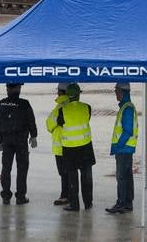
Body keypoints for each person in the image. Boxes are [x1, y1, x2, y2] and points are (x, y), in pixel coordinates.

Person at [0, 82, 37, 205]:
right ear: (18, 88)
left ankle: (6, 196)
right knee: (22, 169)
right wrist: (34, 136)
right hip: (20, 140)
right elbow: (31, 121)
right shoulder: (24, 103)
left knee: (6, 168)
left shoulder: (0, 104)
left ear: (7, 88)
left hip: (6, 140)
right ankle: (20, 196)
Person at [55, 82, 95, 211]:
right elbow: (87, 119)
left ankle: (74, 204)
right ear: (78, 95)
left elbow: (59, 122)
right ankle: (88, 202)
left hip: (69, 148)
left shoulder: (62, 110)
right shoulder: (86, 107)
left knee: (72, 178)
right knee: (86, 176)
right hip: (85, 147)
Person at [106, 82, 138, 215]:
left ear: (122, 91)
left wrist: (117, 146)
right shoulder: (126, 107)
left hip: (124, 149)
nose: (115, 94)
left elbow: (127, 131)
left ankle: (121, 203)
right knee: (127, 175)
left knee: (122, 177)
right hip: (126, 149)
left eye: (116, 91)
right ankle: (127, 202)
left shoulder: (127, 108)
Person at [45, 81, 70, 205]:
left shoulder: (60, 107)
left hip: (60, 146)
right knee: (70, 172)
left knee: (64, 173)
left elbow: (49, 124)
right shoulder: (72, 105)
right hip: (72, 144)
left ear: (61, 92)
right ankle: (69, 194)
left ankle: (65, 195)